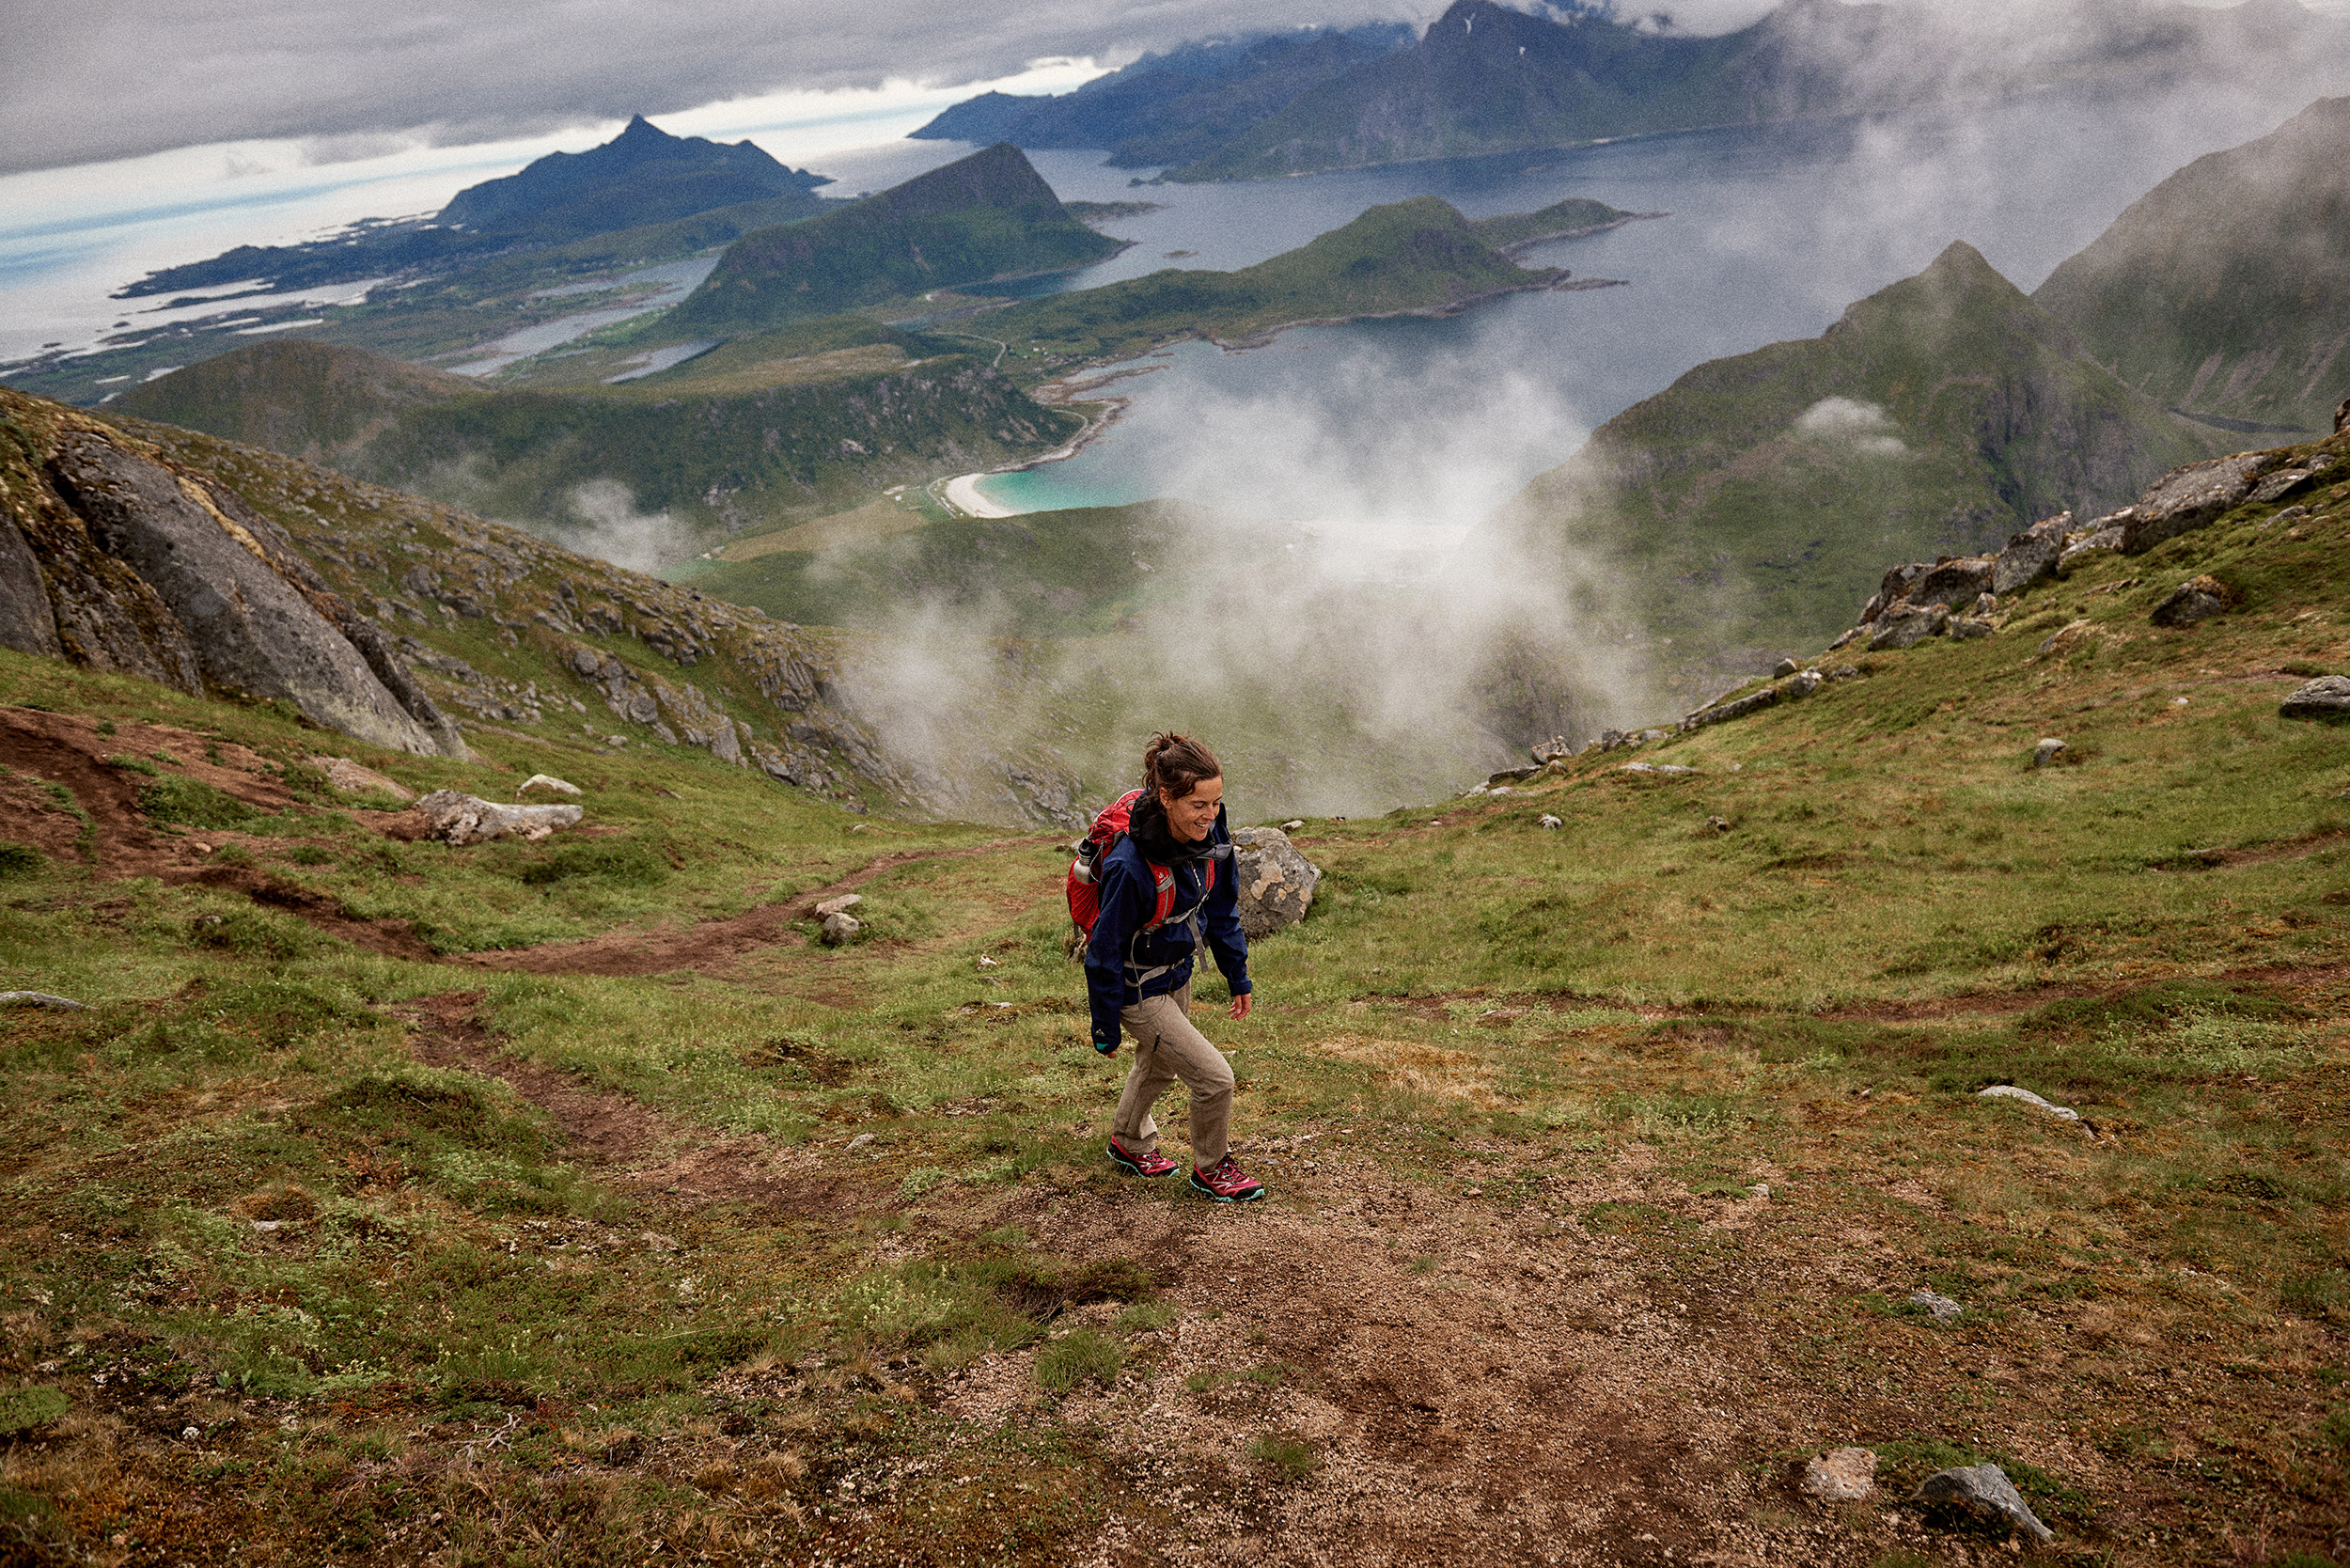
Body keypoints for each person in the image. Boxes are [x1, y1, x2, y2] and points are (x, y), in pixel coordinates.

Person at [1085, 731, 1265, 1202]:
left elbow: (1222, 906)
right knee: (1215, 1079)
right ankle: (1213, 1166)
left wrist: (1236, 974)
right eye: (1197, 805)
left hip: (1176, 971)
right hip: (1136, 987)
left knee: (1160, 1065)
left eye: (1217, 801)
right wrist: (1105, 1024)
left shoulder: (1212, 831)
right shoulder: (1129, 866)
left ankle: (1128, 1142)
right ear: (1166, 798)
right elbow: (1103, 950)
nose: (1210, 815)